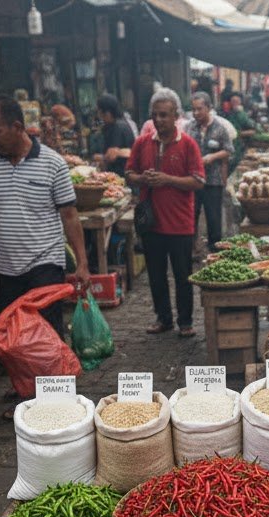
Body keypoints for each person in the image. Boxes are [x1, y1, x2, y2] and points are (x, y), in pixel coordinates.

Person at [0, 97, 89, 341]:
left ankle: (52, 368)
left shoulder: (53, 164)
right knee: (13, 339)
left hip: (45, 265)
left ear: (17, 127)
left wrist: (82, 262)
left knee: (46, 339)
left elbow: (70, 216)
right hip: (8, 269)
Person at [127, 88, 204, 337]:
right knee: (156, 275)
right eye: (155, 115)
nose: (159, 120)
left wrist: (167, 179)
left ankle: (185, 321)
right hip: (152, 223)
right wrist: (143, 179)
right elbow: (129, 174)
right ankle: (163, 318)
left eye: (164, 115)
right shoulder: (142, 143)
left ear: (175, 116)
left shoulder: (188, 144)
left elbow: (198, 181)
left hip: (180, 222)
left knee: (183, 275)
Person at [185, 92, 232, 252]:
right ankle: (191, 249)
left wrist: (212, 157)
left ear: (209, 108)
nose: (196, 113)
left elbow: (228, 150)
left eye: (200, 109)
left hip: (213, 180)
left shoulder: (220, 128)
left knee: (213, 218)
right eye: (193, 109)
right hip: (193, 180)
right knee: (191, 215)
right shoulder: (189, 127)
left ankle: (215, 251)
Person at [95, 93, 135, 176]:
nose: (100, 117)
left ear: (107, 113)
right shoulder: (116, 124)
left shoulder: (118, 127)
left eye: (100, 112)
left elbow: (111, 155)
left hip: (121, 174)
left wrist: (101, 158)